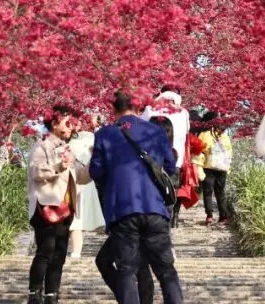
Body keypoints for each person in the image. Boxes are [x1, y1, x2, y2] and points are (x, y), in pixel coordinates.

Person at [91, 91, 184, 304]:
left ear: (113, 109)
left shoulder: (104, 134)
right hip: (154, 208)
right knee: (166, 270)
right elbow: (170, 166)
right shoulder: (155, 131)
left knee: (126, 270)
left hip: (122, 209)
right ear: (140, 109)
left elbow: (96, 172)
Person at [27, 106, 90, 304]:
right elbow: (36, 173)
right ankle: (34, 293)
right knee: (46, 250)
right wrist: (57, 166)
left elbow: (79, 177)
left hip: (65, 208)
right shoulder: (42, 147)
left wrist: (94, 164)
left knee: (60, 252)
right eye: (67, 122)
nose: (72, 126)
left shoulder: (67, 148)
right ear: (54, 124)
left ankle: (51, 294)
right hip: (45, 207)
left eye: (73, 123)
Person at [141, 86, 189, 227]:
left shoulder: (150, 109)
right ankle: (168, 220)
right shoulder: (184, 112)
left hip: (151, 158)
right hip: (175, 157)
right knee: (171, 190)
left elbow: (141, 127)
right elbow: (187, 132)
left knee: (151, 191)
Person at [68, 113, 106, 259]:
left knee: (78, 218)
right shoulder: (62, 139)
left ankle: (76, 251)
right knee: (70, 218)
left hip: (84, 180)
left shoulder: (89, 136)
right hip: (67, 180)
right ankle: (70, 250)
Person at [198, 111, 233, 224]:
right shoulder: (223, 137)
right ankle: (218, 216)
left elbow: (199, 152)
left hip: (213, 167)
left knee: (211, 192)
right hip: (216, 168)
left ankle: (214, 216)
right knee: (216, 192)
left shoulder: (205, 135)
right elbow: (229, 154)